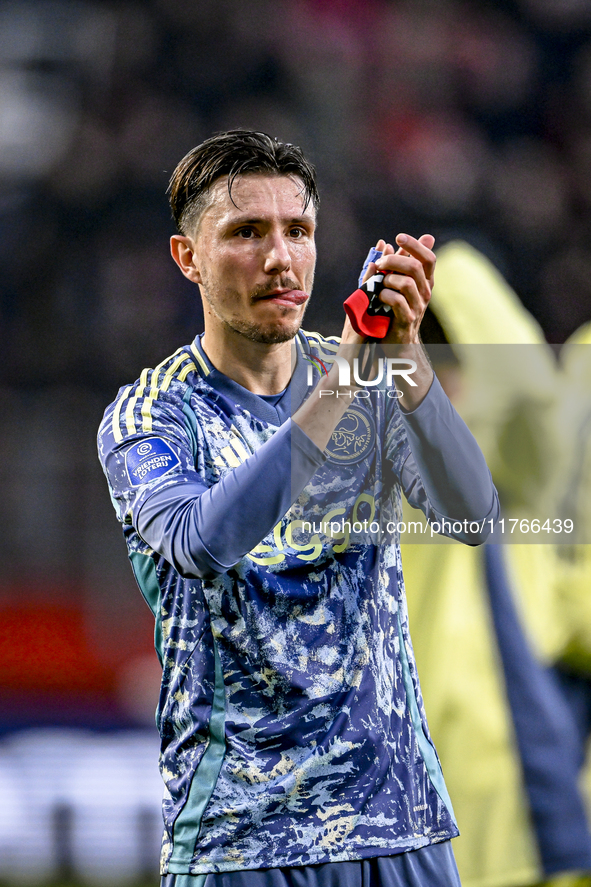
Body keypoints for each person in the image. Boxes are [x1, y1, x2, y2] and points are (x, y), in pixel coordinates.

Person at [97, 130, 499, 887]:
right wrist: (343, 383)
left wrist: (407, 358)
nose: (280, 257)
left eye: (298, 230)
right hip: (244, 840)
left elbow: (473, 513)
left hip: (401, 822)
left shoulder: (364, 373)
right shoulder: (150, 416)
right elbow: (201, 540)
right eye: (246, 232)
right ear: (188, 258)